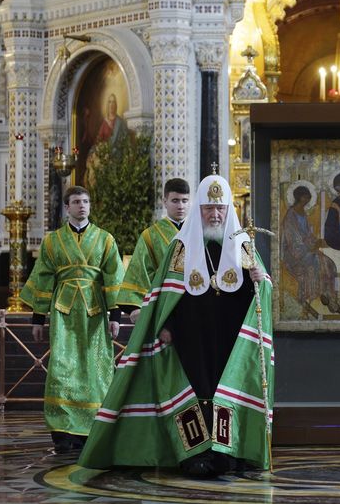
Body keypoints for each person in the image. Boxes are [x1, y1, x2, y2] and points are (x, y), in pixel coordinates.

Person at [78, 175, 273, 478]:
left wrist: (262, 282)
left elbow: (262, 290)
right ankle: (194, 455)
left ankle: (227, 453)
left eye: (220, 208)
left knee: (226, 390)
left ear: (229, 208)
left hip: (230, 337)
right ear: (199, 209)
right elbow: (162, 293)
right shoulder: (181, 246)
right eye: (208, 208)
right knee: (193, 391)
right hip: (188, 335)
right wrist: (164, 325)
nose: (215, 214)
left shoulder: (243, 244)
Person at [20, 186, 124, 454]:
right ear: (67, 207)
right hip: (64, 313)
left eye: (86, 201)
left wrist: (115, 316)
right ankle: (63, 432)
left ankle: (93, 429)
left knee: (95, 369)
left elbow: (113, 278)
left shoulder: (105, 239)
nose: (82, 206)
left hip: (95, 313)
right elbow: (43, 277)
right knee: (62, 370)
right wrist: (37, 318)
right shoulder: (52, 241)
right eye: (77, 202)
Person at [118, 178, 191, 323]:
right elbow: (140, 272)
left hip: (193, 302)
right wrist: (135, 307)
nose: (181, 206)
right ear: (165, 201)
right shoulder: (150, 236)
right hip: (162, 304)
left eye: (185, 200)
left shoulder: (198, 233)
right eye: (175, 200)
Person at [281, 184, 340, 318]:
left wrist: (317, 242)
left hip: (308, 250)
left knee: (330, 264)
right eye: (306, 196)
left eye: (309, 196)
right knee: (315, 263)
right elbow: (293, 241)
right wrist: (311, 249)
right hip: (294, 255)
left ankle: (332, 300)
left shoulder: (303, 213)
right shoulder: (290, 216)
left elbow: (308, 234)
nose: (308, 199)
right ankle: (311, 297)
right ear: (300, 197)